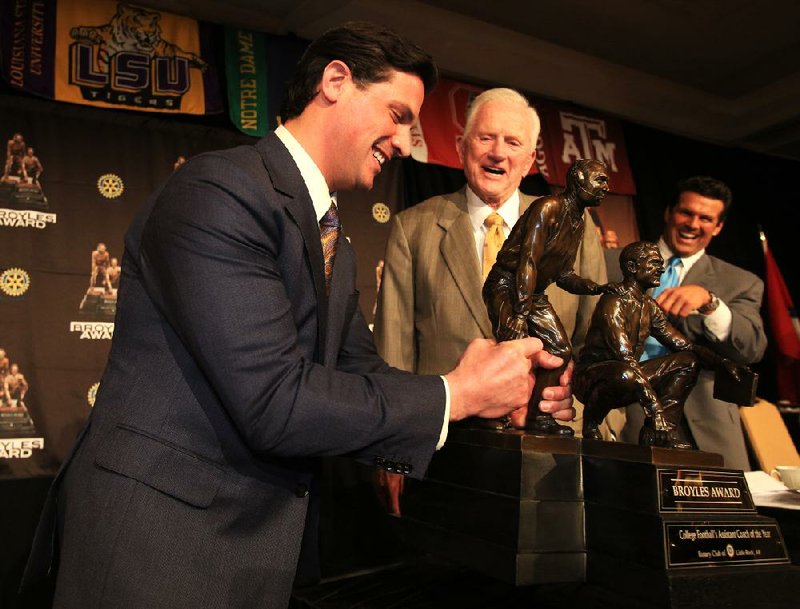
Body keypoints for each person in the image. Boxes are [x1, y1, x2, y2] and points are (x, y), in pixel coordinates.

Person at [23, 23, 573, 609]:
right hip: (159, 548)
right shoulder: (220, 192)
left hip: (243, 549)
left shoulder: (331, 233)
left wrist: (491, 393)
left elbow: (359, 373)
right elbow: (273, 400)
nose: (406, 141)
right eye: (396, 113)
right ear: (335, 81)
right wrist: (455, 394)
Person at [374, 88, 604, 427]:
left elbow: (595, 346)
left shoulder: (576, 227)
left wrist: (581, 409)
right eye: (485, 138)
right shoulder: (412, 229)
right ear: (462, 148)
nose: (497, 153)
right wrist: (392, 446)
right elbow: (394, 353)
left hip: (552, 444)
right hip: (447, 444)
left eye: (512, 143)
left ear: (528, 162)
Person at [611, 176, 766, 470]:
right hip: (622, 413)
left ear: (718, 227)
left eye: (705, 218)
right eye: (686, 213)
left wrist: (711, 303)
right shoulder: (611, 263)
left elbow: (751, 349)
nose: (693, 224)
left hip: (703, 426)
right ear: (669, 213)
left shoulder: (741, 282)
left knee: (716, 516)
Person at [484, 159, 617, 435]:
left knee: (559, 350)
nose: (606, 187)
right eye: (600, 180)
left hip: (535, 292)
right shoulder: (548, 207)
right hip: (508, 285)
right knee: (514, 345)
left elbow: (564, 274)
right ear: (579, 179)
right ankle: (495, 417)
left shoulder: (578, 222)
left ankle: (539, 416)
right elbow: (528, 261)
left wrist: (595, 288)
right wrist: (519, 313)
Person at [576, 242, 744, 448]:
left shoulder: (649, 306)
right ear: (632, 267)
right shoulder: (613, 302)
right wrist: (656, 411)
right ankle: (592, 423)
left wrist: (721, 363)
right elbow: (624, 357)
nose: (661, 269)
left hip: (630, 375)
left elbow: (683, 345)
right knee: (625, 373)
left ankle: (660, 434)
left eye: (661, 264)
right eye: (654, 263)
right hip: (594, 379)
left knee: (688, 361)